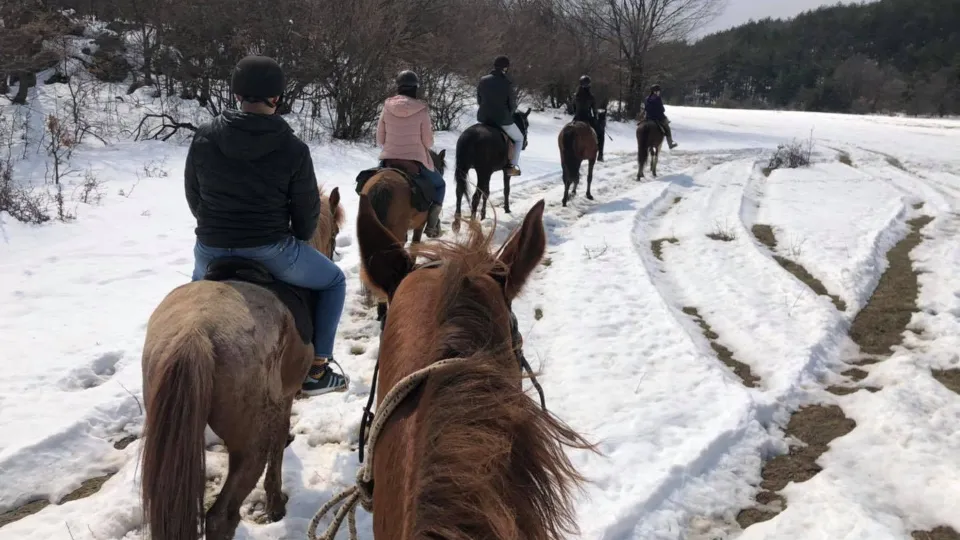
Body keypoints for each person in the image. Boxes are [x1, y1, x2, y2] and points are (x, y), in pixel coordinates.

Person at [184, 55, 348, 396]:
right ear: (276, 97)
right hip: (270, 250)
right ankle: (318, 369)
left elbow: (194, 196)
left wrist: (216, 228)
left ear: (236, 93)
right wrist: (296, 236)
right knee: (334, 281)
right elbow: (306, 217)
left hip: (210, 250)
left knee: (189, 309)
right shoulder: (293, 148)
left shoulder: (204, 136)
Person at [375, 70, 445, 238]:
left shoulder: (386, 107)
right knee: (440, 185)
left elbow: (379, 139)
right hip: (415, 161)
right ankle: (432, 225)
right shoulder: (422, 109)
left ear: (398, 87)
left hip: (389, 160)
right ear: (415, 88)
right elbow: (428, 143)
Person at [477, 55, 523, 176]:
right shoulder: (507, 82)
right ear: (505, 68)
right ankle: (512, 166)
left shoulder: (483, 80)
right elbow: (512, 105)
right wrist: (509, 115)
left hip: (484, 118)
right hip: (502, 119)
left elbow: (479, 99)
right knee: (519, 139)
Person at [644, 84, 678, 149]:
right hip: (658, 118)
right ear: (655, 91)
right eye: (658, 91)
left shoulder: (646, 98)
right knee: (667, 128)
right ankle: (670, 144)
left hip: (648, 118)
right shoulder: (658, 98)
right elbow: (662, 109)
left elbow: (646, 108)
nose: (659, 92)